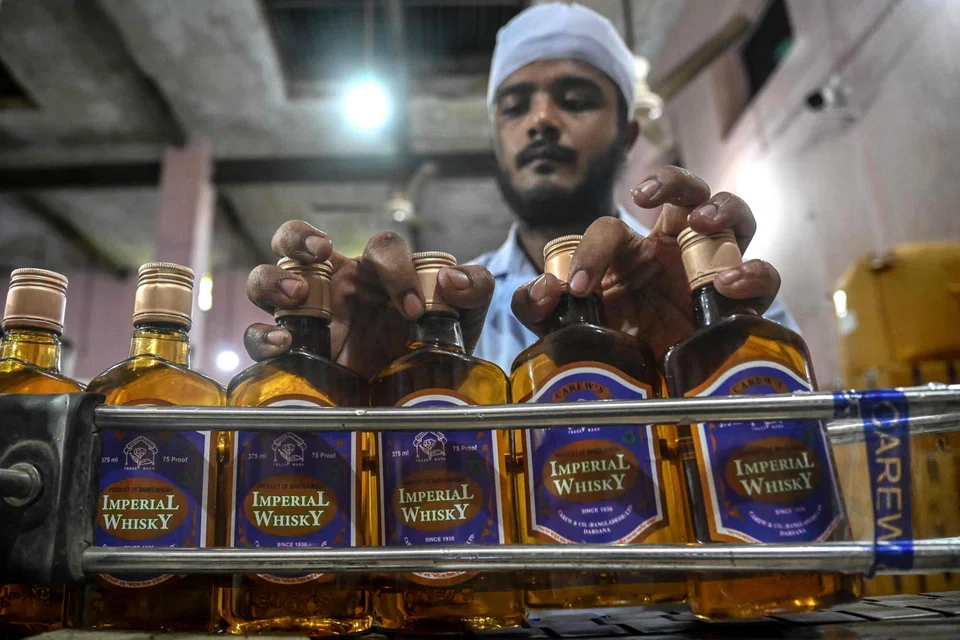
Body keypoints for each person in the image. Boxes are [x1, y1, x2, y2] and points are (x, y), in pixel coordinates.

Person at [243, 2, 791, 379]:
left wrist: (707, 354)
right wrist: (354, 396)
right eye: (515, 107)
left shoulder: (715, 291)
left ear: (627, 134)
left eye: (575, 99)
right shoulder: (439, 311)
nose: (541, 121)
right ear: (496, 139)